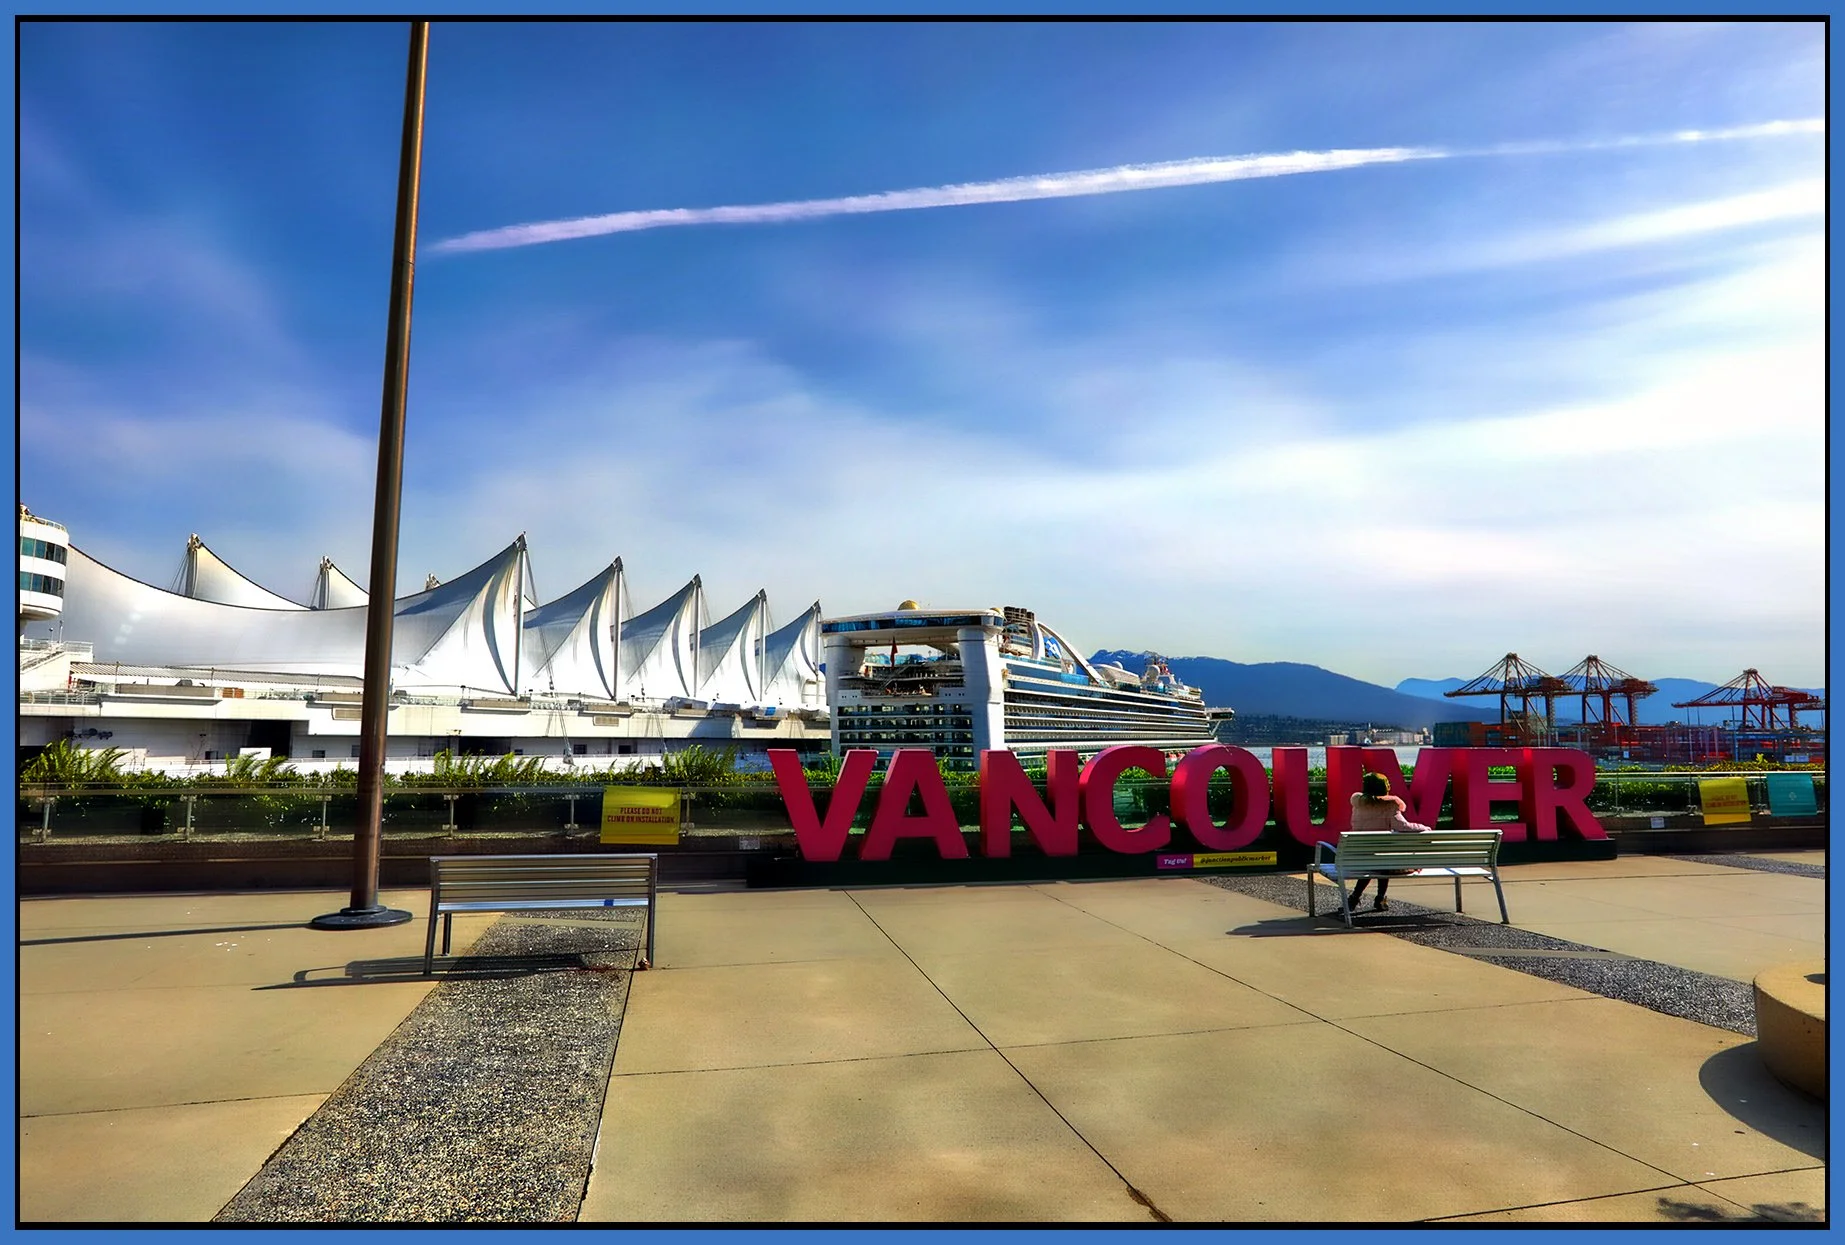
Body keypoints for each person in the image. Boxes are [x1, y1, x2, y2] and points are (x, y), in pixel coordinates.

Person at [1343, 771, 1431, 912]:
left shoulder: (1358, 804)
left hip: (1357, 858)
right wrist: (1424, 828)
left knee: (1376, 861)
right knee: (1384, 859)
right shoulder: (1389, 806)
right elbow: (1402, 826)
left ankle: (1354, 897)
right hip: (1386, 861)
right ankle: (1380, 898)